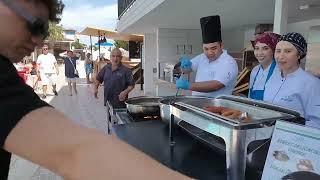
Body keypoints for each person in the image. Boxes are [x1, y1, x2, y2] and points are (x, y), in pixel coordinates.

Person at [0, 0, 187, 179]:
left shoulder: (126, 71)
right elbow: (75, 153)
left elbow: (75, 149)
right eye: (36, 26)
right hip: (110, 102)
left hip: (122, 103)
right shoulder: (105, 68)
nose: (40, 43)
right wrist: (95, 88)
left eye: (44, 32)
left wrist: (125, 92)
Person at [264, 32, 320, 129]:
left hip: (291, 139)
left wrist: (292, 128)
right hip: (265, 135)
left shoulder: (311, 83)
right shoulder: (273, 78)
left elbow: (316, 122)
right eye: (278, 51)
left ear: (299, 55)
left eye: (288, 51)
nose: (281, 56)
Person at [176, 15, 238, 97]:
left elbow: (216, 85)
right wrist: (183, 66)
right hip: (197, 104)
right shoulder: (202, 57)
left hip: (217, 107)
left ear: (221, 45)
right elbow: (186, 70)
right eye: (206, 49)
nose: (210, 52)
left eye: (214, 48)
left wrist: (189, 86)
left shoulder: (229, 62)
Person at [249, 32, 281, 100]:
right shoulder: (255, 70)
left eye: (265, 48)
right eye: (257, 48)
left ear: (273, 50)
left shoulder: (280, 71)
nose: (259, 53)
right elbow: (249, 95)